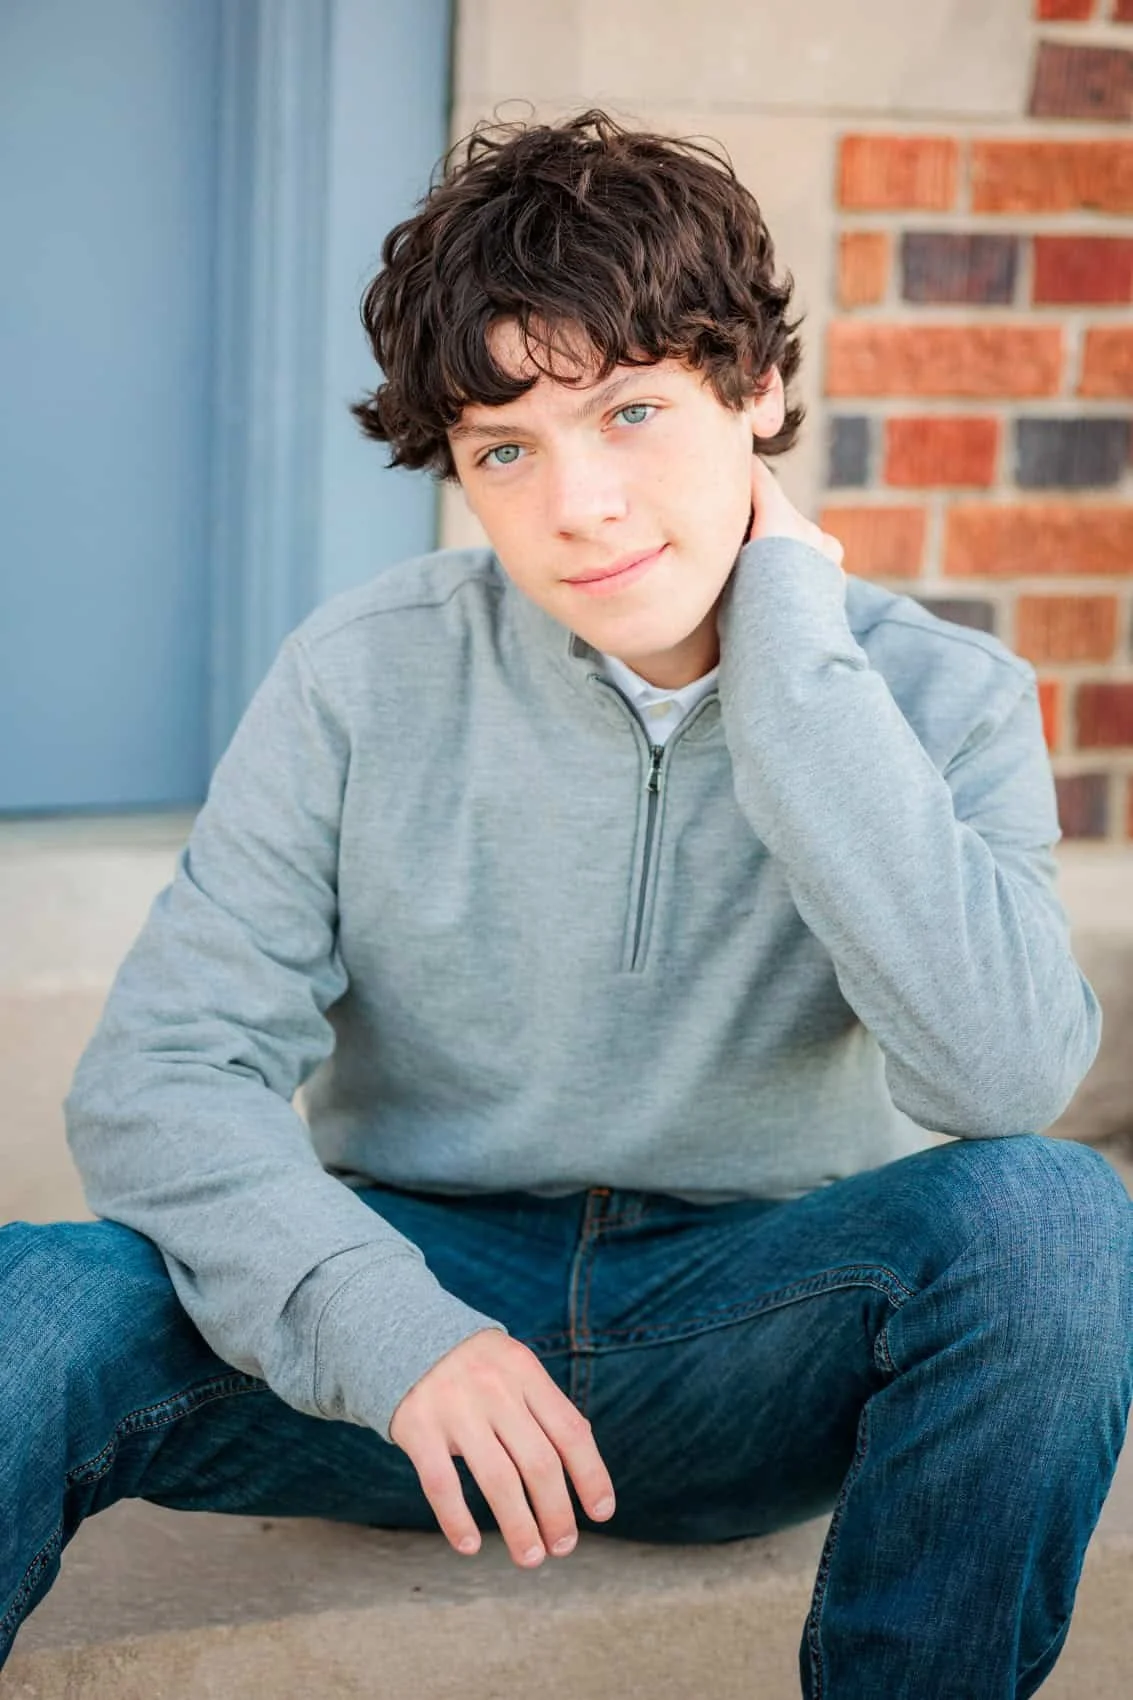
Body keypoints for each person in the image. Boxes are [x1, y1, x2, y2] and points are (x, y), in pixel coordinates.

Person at [2, 108, 1130, 1699]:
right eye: (506, 449)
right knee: (32, 1298)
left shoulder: (942, 697)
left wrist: (795, 665)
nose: (579, 504)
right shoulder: (362, 670)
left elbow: (1006, 1078)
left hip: (753, 1337)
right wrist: (391, 1329)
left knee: (1056, 1218)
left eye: (634, 413)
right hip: (409, 1335)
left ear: (760, 393)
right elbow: (164, 1075)